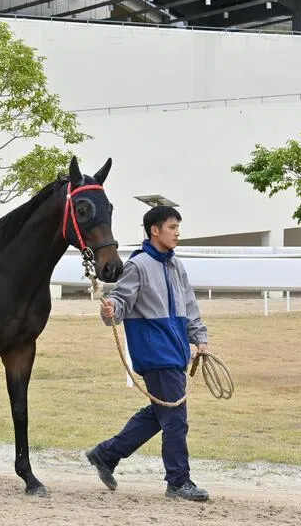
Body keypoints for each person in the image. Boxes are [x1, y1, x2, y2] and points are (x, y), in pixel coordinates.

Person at [85, 206, 211, 502]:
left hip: (175, 351)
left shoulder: (176, 266)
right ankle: (179, 482)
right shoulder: (138, 265)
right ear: (155, 230)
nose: (177, 233)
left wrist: (200, 338)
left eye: (178, 227)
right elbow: (121, 300)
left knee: (159, 415)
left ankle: (105, 454)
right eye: (172, 228)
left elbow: (189, 306)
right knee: (176, 420)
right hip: (156, 354)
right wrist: (111, 309)